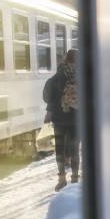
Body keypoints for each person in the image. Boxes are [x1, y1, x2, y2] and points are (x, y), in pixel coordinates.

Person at [43, 50, 80, 190]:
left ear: (66, 59)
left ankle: (61, 179)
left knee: (59, 149)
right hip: (77, 119)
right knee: (75, 148)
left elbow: (46, 97)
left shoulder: (57, 76)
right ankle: (75, 178)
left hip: (59, 119)